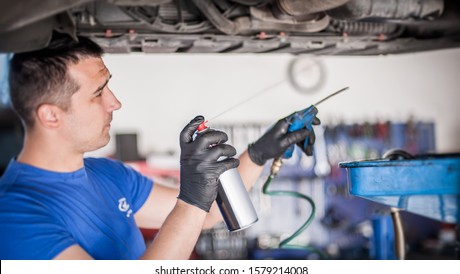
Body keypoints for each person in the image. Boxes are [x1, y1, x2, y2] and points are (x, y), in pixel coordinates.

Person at [0, 33, 319, 260]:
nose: (115, 102)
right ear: (51, 115)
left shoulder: (109, 175)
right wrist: (191, 199)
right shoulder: (13, 217)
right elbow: (193, 210)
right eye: (98, 93)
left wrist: (260, 152)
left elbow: (205, 217)